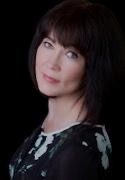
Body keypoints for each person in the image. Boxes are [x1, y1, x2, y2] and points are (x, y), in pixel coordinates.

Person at [9, 0, 124, 179]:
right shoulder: (53, 126)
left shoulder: (78, 153)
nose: (52, 64)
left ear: (94, 67)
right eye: (49, 44)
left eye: (71, 54)